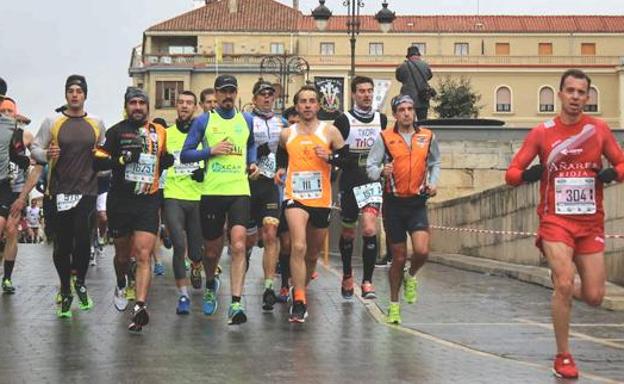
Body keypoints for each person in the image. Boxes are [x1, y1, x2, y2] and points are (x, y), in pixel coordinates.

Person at [505, 69, 624, 379]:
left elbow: (622, 162)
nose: (575, 97)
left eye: (580, 92)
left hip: (590, 223)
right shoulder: (542, 132)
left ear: (588, 97)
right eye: (569, 91)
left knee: (596, 296)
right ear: (559, 95)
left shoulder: (598, 130)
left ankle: (565, 285)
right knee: (564, 282)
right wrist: (527, 175)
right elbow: (511, 174)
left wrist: (614, 173)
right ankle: (564, 354)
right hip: (555, 220)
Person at [93, 87, 174, 332]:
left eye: (141, 103)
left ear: (148, 107)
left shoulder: (159, 132)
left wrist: (166, 161)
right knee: (122, 256)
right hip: (120, 201)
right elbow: (98, 158)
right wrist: (121, 159)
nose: (137, 107)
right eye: (133, 103)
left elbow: (161, 159)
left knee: (143, 254)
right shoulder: (117, 131)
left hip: (147, 200)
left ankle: (139, 306)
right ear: (126, 106)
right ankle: (120, 281)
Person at [181, 74, 258, 325]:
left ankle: (235, 303)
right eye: (223, 92)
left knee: (238, 245)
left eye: (231, 91)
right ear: (216, 94)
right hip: (212, 192)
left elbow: (251, 144)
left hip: (239, 191)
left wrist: (252, 163)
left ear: (236, 93)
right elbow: (185, 155)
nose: (227, 96)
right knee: (212, 251)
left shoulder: (246, 119)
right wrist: (210, 151)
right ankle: (211, 281)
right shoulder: (204, 120)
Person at [27, 75, 106, 318]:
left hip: (87, 190)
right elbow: (36, 148)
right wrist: (47, 153)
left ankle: (80, 282)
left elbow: (104, 153)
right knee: (62, 243)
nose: (74, 95)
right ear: (65, 94)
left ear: (85, 95)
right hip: (58, 190)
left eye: (79, 91)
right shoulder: (53, 121)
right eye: (70, 90)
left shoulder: (96, 123)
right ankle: (64, 287)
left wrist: (100, 156)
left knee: (83, 239)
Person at [274, 85, 348, 323]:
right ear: (297, 106)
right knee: (298, 246)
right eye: (303, 101)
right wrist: (281, 168)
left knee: (312, 254)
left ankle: (300, 288)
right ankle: (299, 299)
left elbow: (348, 160)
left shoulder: (331, 132)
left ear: (318, 105)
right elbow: (282, 152)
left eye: (311, 101)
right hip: (294, 196)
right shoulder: (288, 133)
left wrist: (331, 158)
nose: (307, 105)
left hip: (321, 199)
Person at [367, 94, 441, 325]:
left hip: (417, 203)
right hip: (394, 204)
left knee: (421, 252)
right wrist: (381, 172)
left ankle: (411, 276)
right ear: (395, 114)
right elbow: (370, 166)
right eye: (402, 110)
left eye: (410, 109)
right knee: (398, 257)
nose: (407, 113)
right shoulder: (385, 138)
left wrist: (433, 182)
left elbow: (435, 162)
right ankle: (394, 304)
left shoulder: (427, 136)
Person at [333, 76, 388, 300]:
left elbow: (388, 147)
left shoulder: (381, 120)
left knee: (368, 229)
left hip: (371, 181)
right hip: (349, 180)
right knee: (348, 232)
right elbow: (333, 151)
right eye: (362, 91)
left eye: (369, 91)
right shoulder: (343, 121)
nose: (366, 95)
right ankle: (347, 274)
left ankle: (367, 281)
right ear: (354, 94)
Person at [162, 90, 207, 315]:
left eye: (189, 102)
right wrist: (163, 161)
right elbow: (155, 159)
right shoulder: (166, 134)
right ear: (176, 106)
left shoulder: (204, 133)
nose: (184, 106)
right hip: (173, 194)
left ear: (196, 107)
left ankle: (197, 265)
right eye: (180, 102)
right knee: (179, 244)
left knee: (197, 249)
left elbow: (214, 157)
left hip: (198, 196)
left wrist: (203, 171)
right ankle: (183, 295)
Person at [246, 80, 286, 311]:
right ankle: (245, 256)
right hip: (248, 182)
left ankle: (269, 287)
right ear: (254, 99)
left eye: (271, 95)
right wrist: (250, 158)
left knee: (271, 234)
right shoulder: (247, 119)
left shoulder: (281, 122)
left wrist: (282, 163)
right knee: (249, 239)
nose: (267, 98)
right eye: (263, 95)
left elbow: (289, 148)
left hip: (270, 183)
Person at [0, 97, 32, 293]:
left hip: (17, 191)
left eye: (9, 111)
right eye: (2, 111)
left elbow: (39, 153)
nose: (5, 114)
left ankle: (7, 279)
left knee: (12, 231)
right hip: (1, 186)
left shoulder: (24, 135)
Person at [395, 46, 433, 121]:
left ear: (408, 56)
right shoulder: (425, 65)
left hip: (408, 100)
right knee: (423, 122)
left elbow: (399, 78)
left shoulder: (403, 66)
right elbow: (429, 76)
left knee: (409, 122)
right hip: (423, 98)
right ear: (418, 55)